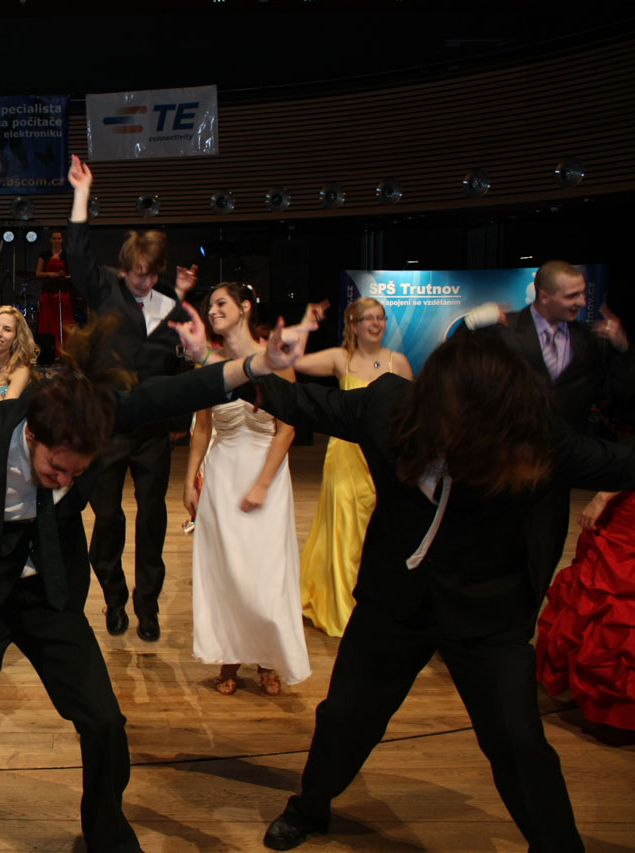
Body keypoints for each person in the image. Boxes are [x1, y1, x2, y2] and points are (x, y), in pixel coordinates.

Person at [0, 303, 316, 853]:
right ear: (32, 435)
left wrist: (254, 365)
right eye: (55, 470)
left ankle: (108, 836)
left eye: (78, 473)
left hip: (49, 590)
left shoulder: (92, 417)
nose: (65, 481)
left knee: (106, 723)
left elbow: (171, 394)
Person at [249, 330, 635, 852]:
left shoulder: (535, 437)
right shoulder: (390, 408)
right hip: (394, 604)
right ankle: (310, 806)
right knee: (344, 719)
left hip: (486, 613)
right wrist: (233, 369)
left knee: (519, 743)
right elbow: (299, 401)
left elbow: (617, 461)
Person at [67, 153, 197, 642]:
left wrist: (179, 419)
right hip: (107, 426)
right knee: (107, 518)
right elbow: (77, 252)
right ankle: (115, 598)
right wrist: (82, 193)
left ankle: (148, 606)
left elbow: (179, 365)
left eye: (150, 272)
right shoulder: (105, 289)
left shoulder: (172, 305)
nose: (143, 279)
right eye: (136, 272)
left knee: (152, 519)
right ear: (123, 270)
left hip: (152, 431)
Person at [478, 260, 634, 600]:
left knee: (540, 564)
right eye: (572, 296)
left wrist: (622, 349)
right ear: (544, 295)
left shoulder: (591, 342)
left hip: (556, 478)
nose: (582, 302)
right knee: (490, 565)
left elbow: (621, 393)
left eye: (582, 294)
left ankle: (523, 623)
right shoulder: (502, 331)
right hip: (504, 472)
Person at [183, 283, 309, 695]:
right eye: (210, 305)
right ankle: (230, 655)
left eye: (221, 303)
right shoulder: (208, 365)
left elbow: (287, 429)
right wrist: (190, 479)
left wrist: (261, 485)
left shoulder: (276, 360)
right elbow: (202, 429)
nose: (212, 310)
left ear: (245, 308)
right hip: (223, 475)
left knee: (266, 571)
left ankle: (269, 657)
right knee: (228, 569)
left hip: (267, 474)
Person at [292, 297, 413, 637]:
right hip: (345, 458)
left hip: (383, 459)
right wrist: (306, 324)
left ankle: (377, 602)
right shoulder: (339, 358)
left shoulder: (398, 362)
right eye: (368, 319)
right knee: (344, 530)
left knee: (379, 530)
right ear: (354, 325)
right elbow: (294, 361)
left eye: (380, 318)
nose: (376, 324)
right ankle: (346, 607)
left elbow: (412, 414)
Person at [537, 489, 635, 737]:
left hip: (626, 506)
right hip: (624, 502)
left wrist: (603, 496)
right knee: (608, 592)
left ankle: (615, 709)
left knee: (614, 598)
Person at [35, 228, 75, 360]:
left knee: (63, 323)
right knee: (47, 323)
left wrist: (64, 276)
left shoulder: (67, 255)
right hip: (48, 295)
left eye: (59, 238)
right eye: (54, 238)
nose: (57, 241)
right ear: (50, 240)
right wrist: (50, 274)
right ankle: (48, 352)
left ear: (62, 240)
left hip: (62, 295)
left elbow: (72, 273)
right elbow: (38, 273)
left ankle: (65, 352)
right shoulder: (44, 255)